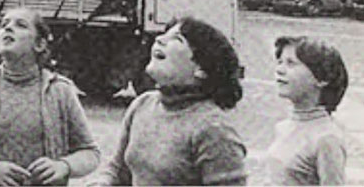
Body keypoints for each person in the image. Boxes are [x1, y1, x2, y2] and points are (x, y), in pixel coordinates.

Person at [0, 6, 100, 185]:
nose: (8, 28)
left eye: (21, 25)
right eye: (4, 25)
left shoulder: (61, 91)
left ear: (40, 44)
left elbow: (90, 153)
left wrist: (64, 166)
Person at [90, 16, 247, 186]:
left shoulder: (214, 129)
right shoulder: (143, 104)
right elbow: (119, 170)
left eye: (177, 39)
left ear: (201, 69)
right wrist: (103, 182)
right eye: (164, 34)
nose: (159, 39)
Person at [266, 35, 348, 185]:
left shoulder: (326, 138)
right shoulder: (283, 127)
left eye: (291, 63)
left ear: (322, 78)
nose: (279, 70)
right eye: (279, 62)